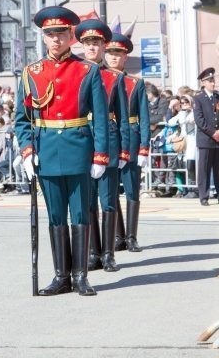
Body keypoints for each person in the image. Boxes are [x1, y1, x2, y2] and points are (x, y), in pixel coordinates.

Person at [15, 6, 109, 297]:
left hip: (79, 147)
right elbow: (22, 118)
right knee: (56, 215)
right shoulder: (32, 72)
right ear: (43, 38)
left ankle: (81, 276)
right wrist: (27, 150)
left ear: (72, 36)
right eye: (50, 34)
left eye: (61, 34)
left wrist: (100, 155)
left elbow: (102, 117)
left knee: (80, 213)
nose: (55, 39)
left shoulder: (87, 70)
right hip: (46, 151)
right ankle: (61, 276)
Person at [75, 20, 130, 271]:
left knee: (107, 200)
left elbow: (123, 118)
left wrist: (124, 150)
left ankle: (108, 254)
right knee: (87, 201)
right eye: (87, 43)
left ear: (103, 47)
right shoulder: (76, 73)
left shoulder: (113, 78)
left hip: (107, 141)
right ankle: (93, 252)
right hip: (81, 140)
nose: (92, 48)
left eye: (96, 43)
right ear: (82, 46)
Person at [104, 33, 150, 252]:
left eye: (118, 54)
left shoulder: (135, 83)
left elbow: (144, 117)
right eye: (110, 53)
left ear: (125, 57)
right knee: (110, 190)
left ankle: (131, 236)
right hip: (111, 138)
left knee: (132, 189)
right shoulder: (100, 79)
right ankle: (117, 235)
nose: (114, 58)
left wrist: (144, 146)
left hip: (131, 137)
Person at [193, 67, 219, 206]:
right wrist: (213, 133)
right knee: (204, 169)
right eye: (209, 81)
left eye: (213, 80)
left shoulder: (218, 97)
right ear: (203, 83)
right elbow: (199, 120)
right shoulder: (198, 99)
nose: (212, 83)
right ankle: (204, 196)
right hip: (206, 139)